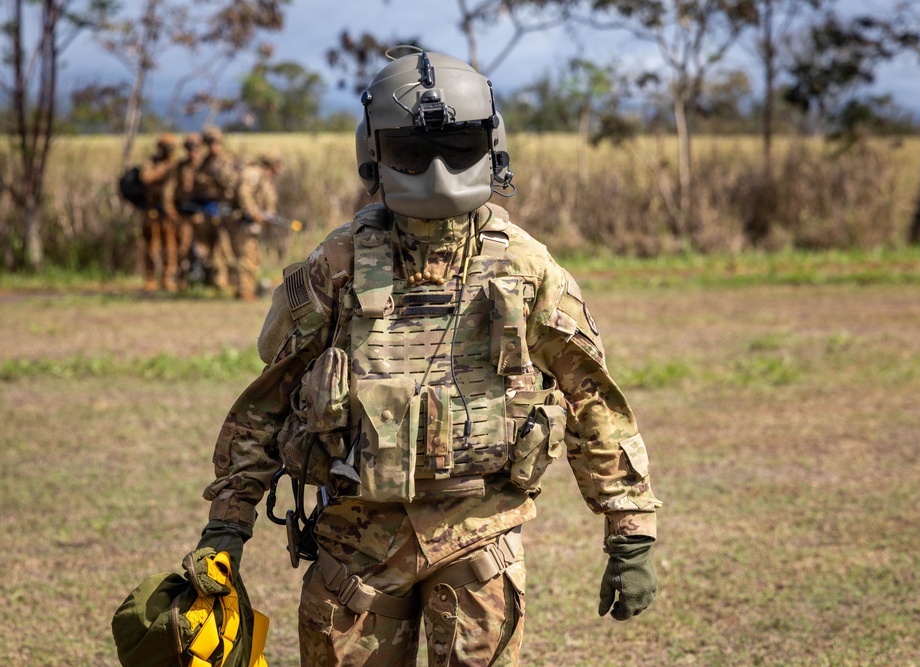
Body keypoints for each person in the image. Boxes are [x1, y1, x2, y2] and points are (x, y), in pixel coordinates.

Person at [192, 48, 660, 666]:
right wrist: (227, 526)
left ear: (490, 147)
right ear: (375, 154)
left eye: (457, 146)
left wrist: (630, 533)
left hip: (479, 538)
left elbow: (591, 398)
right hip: (355, 543)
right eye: (413, 151)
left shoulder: (524, 267)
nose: (436, 169)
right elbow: (268, 400)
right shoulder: (337, 266)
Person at [191, 126, 241, 293]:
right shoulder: (205, 161)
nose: (212, 146)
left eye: (215, 142)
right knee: (210, 247)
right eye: (209, 143)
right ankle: (215, 281)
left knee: (225, 247)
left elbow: (231, 183)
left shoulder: (226, 160)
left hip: (225, 209)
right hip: (209, 209)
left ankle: (228, 281)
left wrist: (212, 179)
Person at [230, 152, 284, 300]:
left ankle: (246, 289)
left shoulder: (264, 178)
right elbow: (244, 194)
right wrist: (254, 213)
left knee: (251, 255)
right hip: (244, 221)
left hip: (252, 222)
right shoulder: (254, 173)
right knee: (246, 256)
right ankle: (244, 291)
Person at [163, 133, 206, 290]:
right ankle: (181, 281)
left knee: (206, 249)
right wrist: (172, 212)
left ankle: (211, 281)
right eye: (189, 148)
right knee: (183, 248)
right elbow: (168, 191)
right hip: (184, 215)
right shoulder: (179, 168)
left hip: (203, 215)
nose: (192, 151)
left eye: (195, 147)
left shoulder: (206, 166)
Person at [138, 133, 180, 292]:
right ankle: (150, 278)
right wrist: (164, 170)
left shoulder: (176, 164)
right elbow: (145, 178)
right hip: (153, 210)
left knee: (170, 247)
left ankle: (168, 278)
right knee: (151, 246)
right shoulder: (152, 162)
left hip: (170, 211)